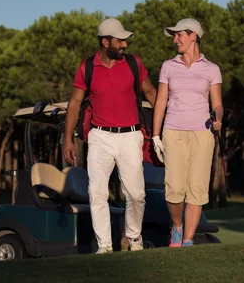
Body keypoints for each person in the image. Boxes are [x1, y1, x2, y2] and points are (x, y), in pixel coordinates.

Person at [63, 18, 157, 254]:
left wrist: (163, 127)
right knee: (97, 193)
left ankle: (134, 239)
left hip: (131, 135)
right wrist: (67, 139)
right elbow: (74, 104)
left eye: (125, 40)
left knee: (136, 194)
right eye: (119, 40)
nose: (124, 44)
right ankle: (104, 246)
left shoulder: (134, 63)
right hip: (100, 137)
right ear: (105, 42)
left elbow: (151, 92)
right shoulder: (87, 68)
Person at [151, 18, 223, 247]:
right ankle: (177, 228)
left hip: (202, 134)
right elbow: (160, 102)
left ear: (193, 35)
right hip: (173, 131)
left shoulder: (212, 69)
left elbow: (218, 103)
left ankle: (188, 241)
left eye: (178, 35)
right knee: (173, 189)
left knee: (197, 188)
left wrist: (218, 116)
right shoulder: (168, 66)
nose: (175, 40)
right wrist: (155, 135)